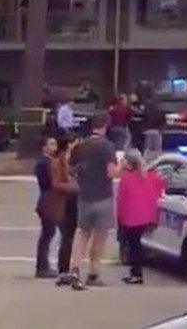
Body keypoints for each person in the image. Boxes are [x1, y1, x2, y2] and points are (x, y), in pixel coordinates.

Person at [67, 113, 119, 290]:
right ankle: (93, 272)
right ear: (105, 126)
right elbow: (111, 173)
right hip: (103, 196)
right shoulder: (107, 146)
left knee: (83, 234)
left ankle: (74, 268)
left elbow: (71, 170)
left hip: (85, 196)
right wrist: (123, 168)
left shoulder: (80, 146)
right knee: (100, 237)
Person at [116, 149, 164, 284]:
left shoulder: (127, 178)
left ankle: (136, 273)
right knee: (137, 244)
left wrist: (119, 218)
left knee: (134, 245)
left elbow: (121, 200)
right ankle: (136, 272)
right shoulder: (150, 175)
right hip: (146, 215)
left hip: (131, 217)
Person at [34, 137, 78, 278]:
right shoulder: (44, 163)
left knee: (49, 233)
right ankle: (42, 266)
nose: (54, 146)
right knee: (48, 234)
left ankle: (44, 265)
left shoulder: (52, 162)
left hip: (51, 201)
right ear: (44, 147)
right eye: (51, 144)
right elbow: (51, 183)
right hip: (49, 202)